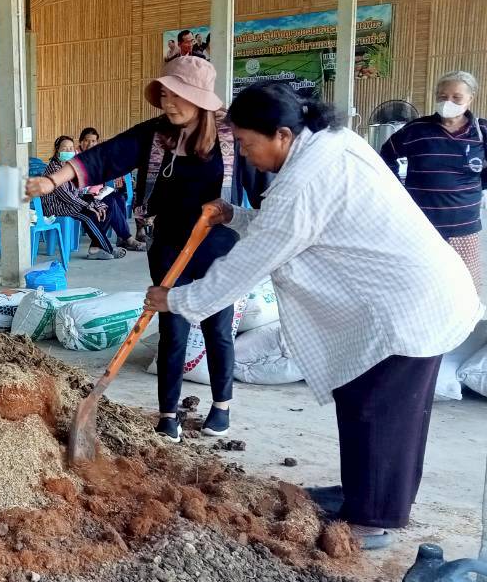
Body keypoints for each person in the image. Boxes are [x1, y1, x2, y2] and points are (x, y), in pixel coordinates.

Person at [145, 82, 482, 549]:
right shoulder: (327, 145)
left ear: (282, 135)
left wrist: (177, 300)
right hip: (394, 298)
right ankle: (360, 493)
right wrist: (236, 215)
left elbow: (254, 259)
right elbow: (292, 227)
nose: (244, 154)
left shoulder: (304, 180)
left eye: (246, 143)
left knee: (382, 411)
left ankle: (372, 520)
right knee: (361, 401)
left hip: (407, 306)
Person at [27, 57, 244, 442]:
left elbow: (264, 191)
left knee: (216, 326)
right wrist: (53, 180)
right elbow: (105, 156)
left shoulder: (232, 138)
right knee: (172, 328)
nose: (168, 103)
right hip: (168, 243)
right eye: (164, 94)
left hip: (218, 247)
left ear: (199, 99)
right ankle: (168, 414)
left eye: (176, 95)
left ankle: (221, 406)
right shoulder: (156, 134)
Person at [381, 70, 486, 292]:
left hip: (463, 226)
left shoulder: (481, 131)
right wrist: (397, 190)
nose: (447, 102)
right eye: (441, 96)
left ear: (471, 98)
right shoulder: (416, 130)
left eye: (456, 97)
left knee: (463, 287)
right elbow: (386, 155)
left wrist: (472, 190)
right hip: (421, 225)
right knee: (421, 284)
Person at [72, 127, 145, 257]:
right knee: (110, 202)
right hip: (84, 195)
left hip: (97, 193)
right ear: (80, 141)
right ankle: (127, 238)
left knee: (119, 198)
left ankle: (122, 238)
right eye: (86, 141)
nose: (90, 144)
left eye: (93, 141)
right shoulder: (76, 157)